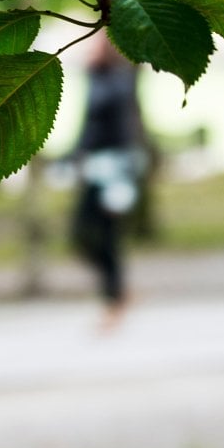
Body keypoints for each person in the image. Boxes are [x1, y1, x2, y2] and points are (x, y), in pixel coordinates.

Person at [70, 35, 148, 332]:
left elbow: (126, 127)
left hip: (114, 168)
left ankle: (115, 298)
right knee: (84, 233)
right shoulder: (95, 77)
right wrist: (75, 155)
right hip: (94, 167)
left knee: (107, 236)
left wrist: (128, 171)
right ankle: (116, 293)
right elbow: (86, 124)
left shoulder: (120, 80)